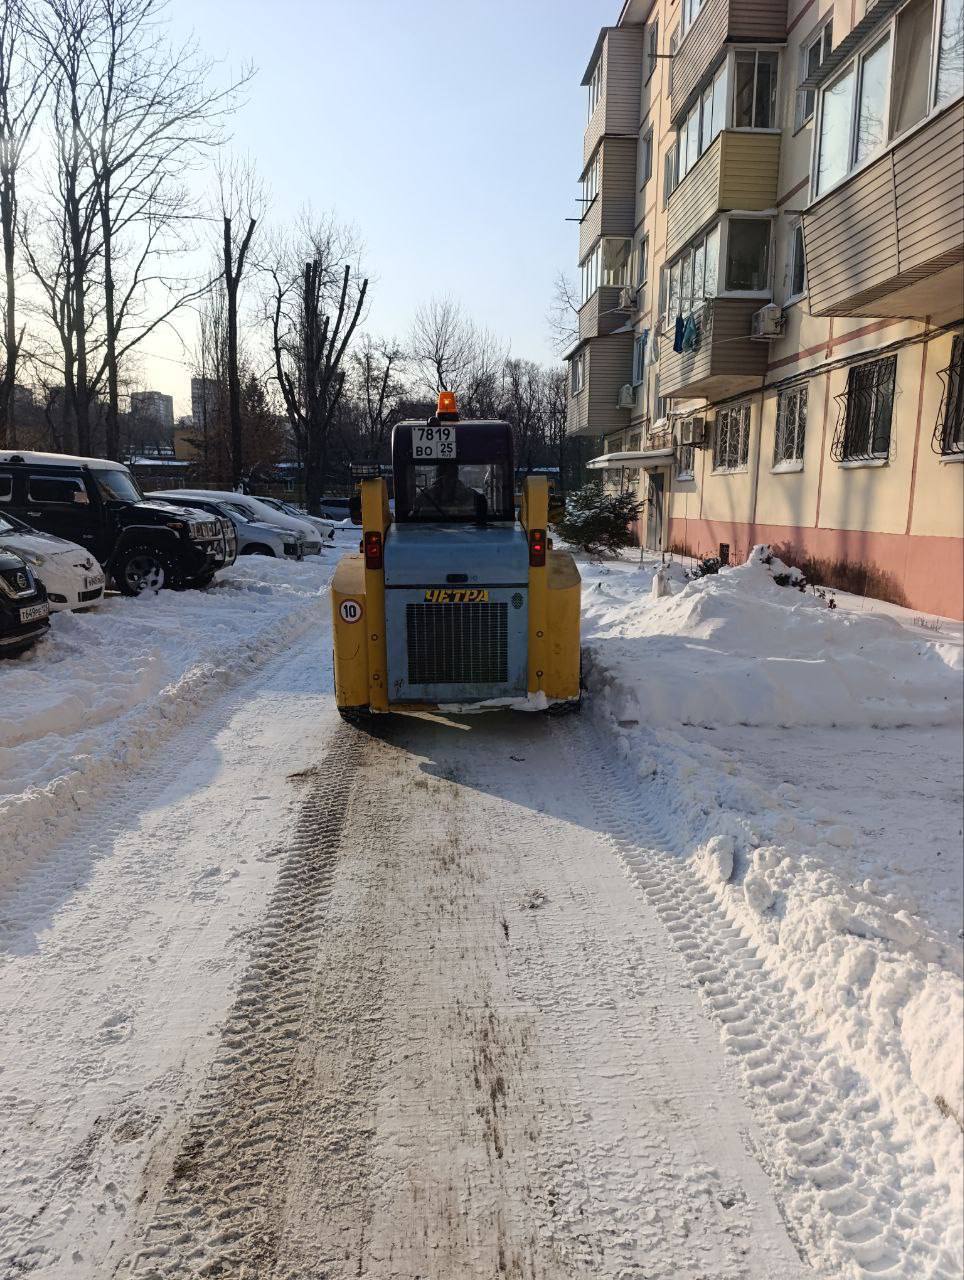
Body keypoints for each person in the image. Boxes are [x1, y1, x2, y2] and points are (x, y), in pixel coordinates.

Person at [412, 460, 487, 520]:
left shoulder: (470, 495)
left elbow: (484, 512)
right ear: (438, 477)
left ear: (456, 476)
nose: (447, 480)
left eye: (451, 476)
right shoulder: (426, 495)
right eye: (444, 476)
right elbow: (414, 512)